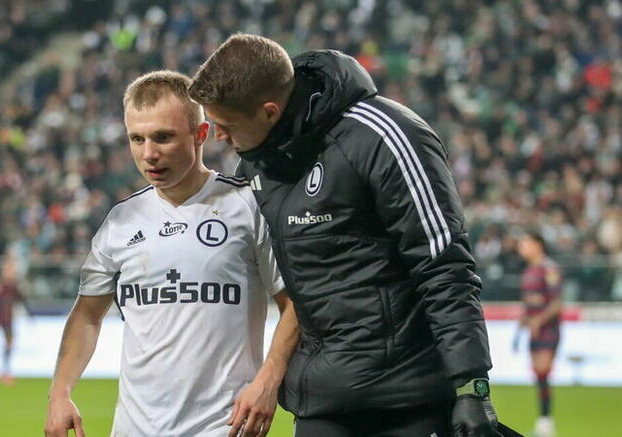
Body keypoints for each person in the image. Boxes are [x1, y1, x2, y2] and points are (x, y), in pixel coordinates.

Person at [189, 34, 503, 437]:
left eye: (225, 125)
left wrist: (471, 386)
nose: (219, 137)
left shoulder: (385, 136)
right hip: (324, 397)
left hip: (408, 398)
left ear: (269, 111)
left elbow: (444, 266)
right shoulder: (260, 163)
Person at [44, 71, 299, 437]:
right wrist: (59, 393)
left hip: (223, 427)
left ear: (200, 135)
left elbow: (294, 303)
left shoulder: (247, 206)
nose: (149, 153)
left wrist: (268, 380)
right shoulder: (120, 222)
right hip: (133, 429)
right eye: (137, 138)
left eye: (163, 137)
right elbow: (87, 314)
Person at [517, 231, 562, 437]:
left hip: (548, 330)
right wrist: (522, 325)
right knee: (538, 374)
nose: (521, 248)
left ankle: (546, 423)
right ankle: (543, 421)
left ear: (538, 245)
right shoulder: (528, 271)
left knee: (543, 371)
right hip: (533, 330)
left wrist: (538, 320)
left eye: (525, 243)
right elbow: (528, 303)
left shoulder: (549, 269)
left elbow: (556, 304)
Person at [0, 256, 28, 385]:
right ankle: (5, 372)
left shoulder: (10, 286)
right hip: (5, 319)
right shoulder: (2, 287)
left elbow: (22, 299)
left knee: (9, 344)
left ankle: (5, 371)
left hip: (9, 319)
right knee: (8, 343)